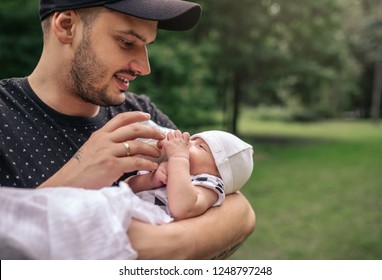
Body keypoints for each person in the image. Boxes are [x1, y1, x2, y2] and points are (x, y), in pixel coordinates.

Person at [0, 0, 255, 259]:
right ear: (66, 26)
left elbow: (238, 207)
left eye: (146, 47)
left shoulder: (141, 113)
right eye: (127, 43)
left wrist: (162, 244)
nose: (144, 68)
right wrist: (74, 176)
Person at [129, 129, 254, 221]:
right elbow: (127, 187)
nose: (188, 144)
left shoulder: (209, 184)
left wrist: (179, 157)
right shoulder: (170, 165)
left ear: (219, 172)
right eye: (192, 140)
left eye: (200, 146)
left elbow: (183, 209)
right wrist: (150, 180)